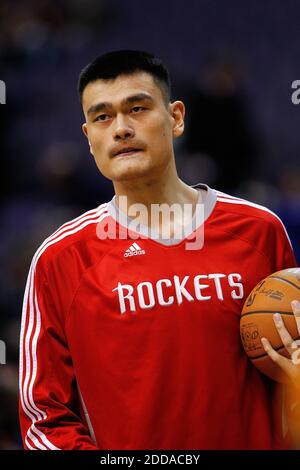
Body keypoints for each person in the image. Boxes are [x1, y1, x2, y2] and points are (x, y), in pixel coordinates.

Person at [19, 50, 300, 450]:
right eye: (103, 117)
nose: (120, 128)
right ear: (89, 138)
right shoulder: (62, 257)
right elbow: (43, 419)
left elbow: (287, 384)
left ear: (176, 117)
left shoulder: (259, 231)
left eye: (137, 108)